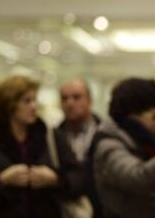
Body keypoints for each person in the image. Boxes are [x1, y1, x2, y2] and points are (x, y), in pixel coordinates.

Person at [0, 75, 85, 218]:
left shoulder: (50, 136)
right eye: (27, 101)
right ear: (9, 104)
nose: (34, 106)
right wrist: (1, 181)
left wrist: (56, 179)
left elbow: (80, 179)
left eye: (34, 100)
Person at [92, 78, 155, 218]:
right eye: (153, 117)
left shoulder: (141, 142)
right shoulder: (108, 145)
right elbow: (137, 177)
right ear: (133, 113)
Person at [57, 78, 101, 217]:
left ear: (89, 100)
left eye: (76, 97)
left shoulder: (105, 133)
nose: (70, 103)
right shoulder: (52, 138)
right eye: (64, 99)